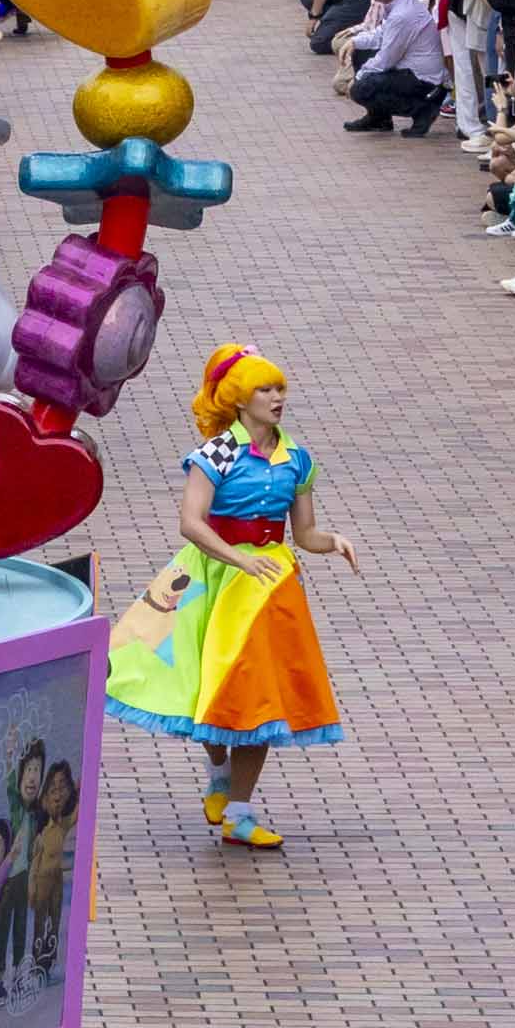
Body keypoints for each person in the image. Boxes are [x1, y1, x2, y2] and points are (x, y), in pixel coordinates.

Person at [100, 347, 354, 852]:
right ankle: (218, 775)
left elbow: (304, 532)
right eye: (265, 389)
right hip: (212, 580)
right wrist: (237, 560)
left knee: (257, 698)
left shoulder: (297, 459)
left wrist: (332, 542)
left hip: (268, 590)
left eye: (280, 389)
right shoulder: (216, 453)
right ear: (239, 399)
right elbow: (190, 523)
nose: (277, 398)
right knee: (205, 690)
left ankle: (238, 812)